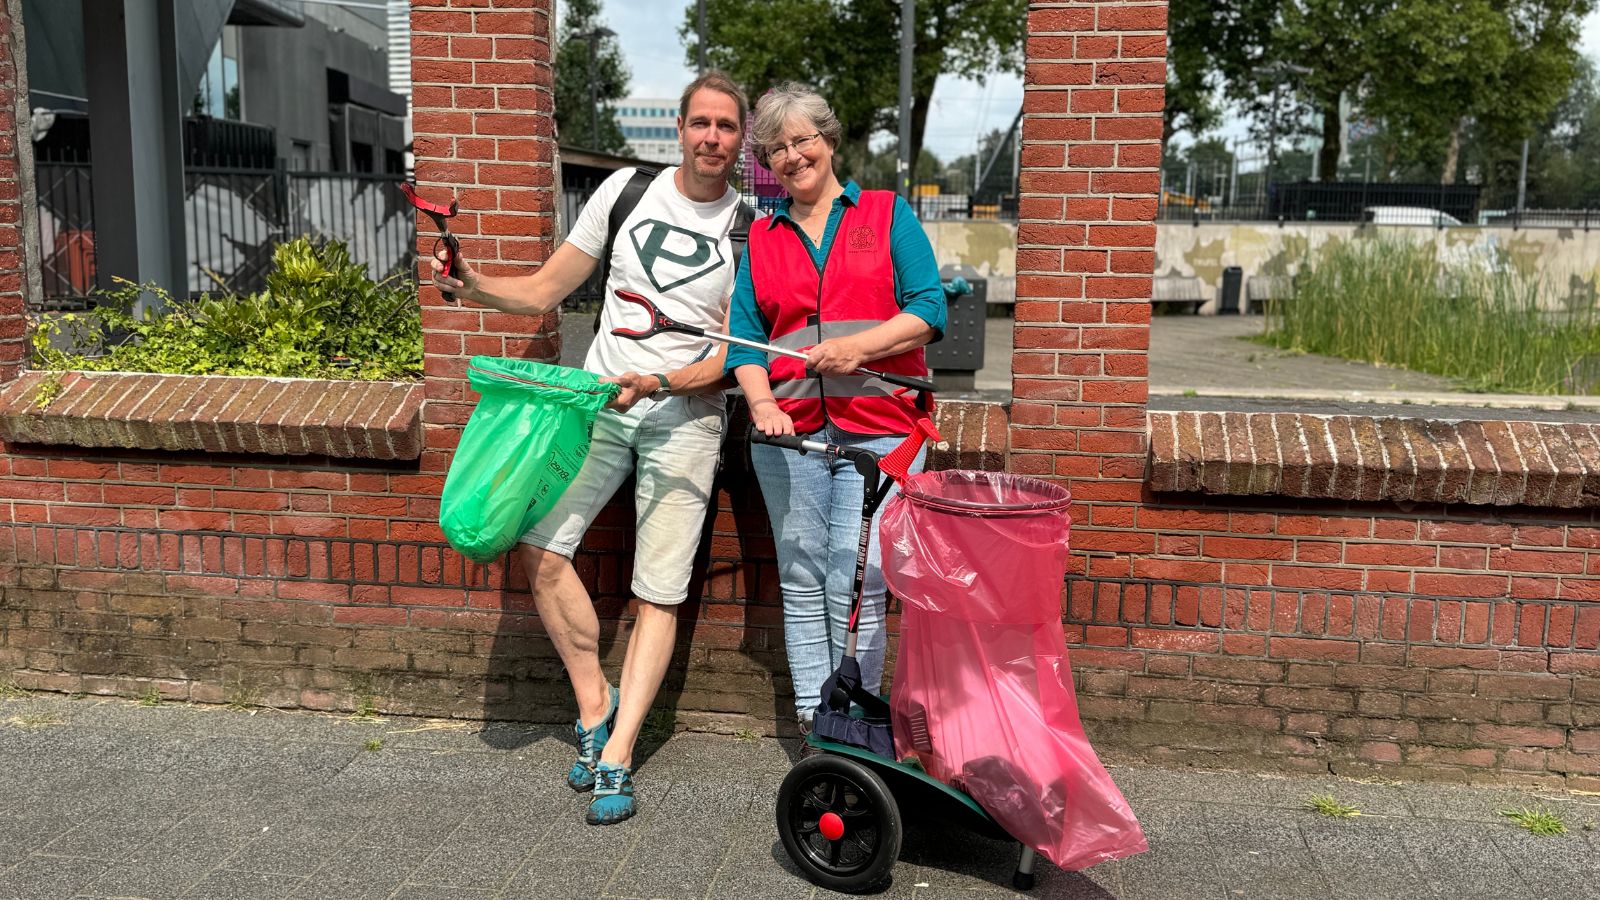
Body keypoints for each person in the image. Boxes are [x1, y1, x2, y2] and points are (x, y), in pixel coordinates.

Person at [431, 72, 750, 825]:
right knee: (540, 547)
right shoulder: (626, 194)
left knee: (658, 591)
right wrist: (471, 284)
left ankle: (617, 753)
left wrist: (665, 380)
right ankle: (593, 702)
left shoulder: (751, 226)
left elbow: (737, 357)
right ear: (678, 128)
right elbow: (547, 289)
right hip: (599, 405)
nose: (711, 137)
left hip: (687, 417)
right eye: (700, 123)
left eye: (726, 126)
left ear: (740, 139)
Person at [724, 83, 946, 750]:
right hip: (789, 437)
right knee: (800, 578)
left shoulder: (885, 214)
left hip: (880, 431)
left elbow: (929, 308)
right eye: (777, 148)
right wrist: (761, 404)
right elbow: (743, 334)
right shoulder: (762, 237)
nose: (793, 155)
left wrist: (860, 347)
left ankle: (857, 723)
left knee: (860, 586)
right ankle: (817, 728)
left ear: (829, 139)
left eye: (803, 139)